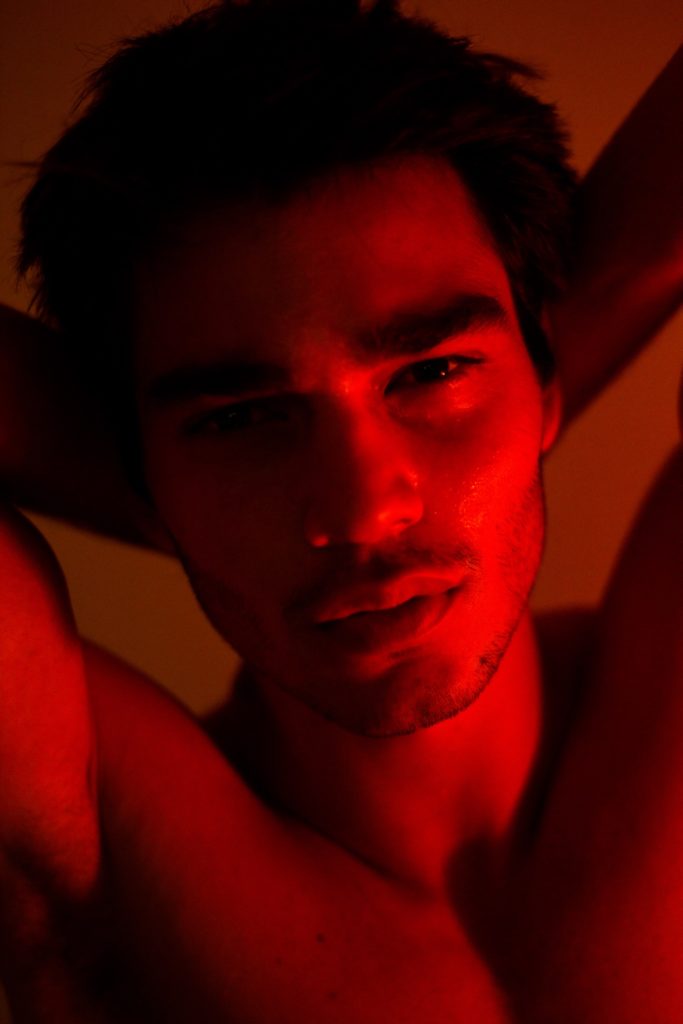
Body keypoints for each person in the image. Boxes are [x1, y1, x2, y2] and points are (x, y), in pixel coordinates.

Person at [0, 1, 680, 1020]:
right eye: (241, 416)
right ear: (139, 470)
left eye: (433, 370)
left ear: (544, 381)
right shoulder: (92, 855)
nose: (365, 511)